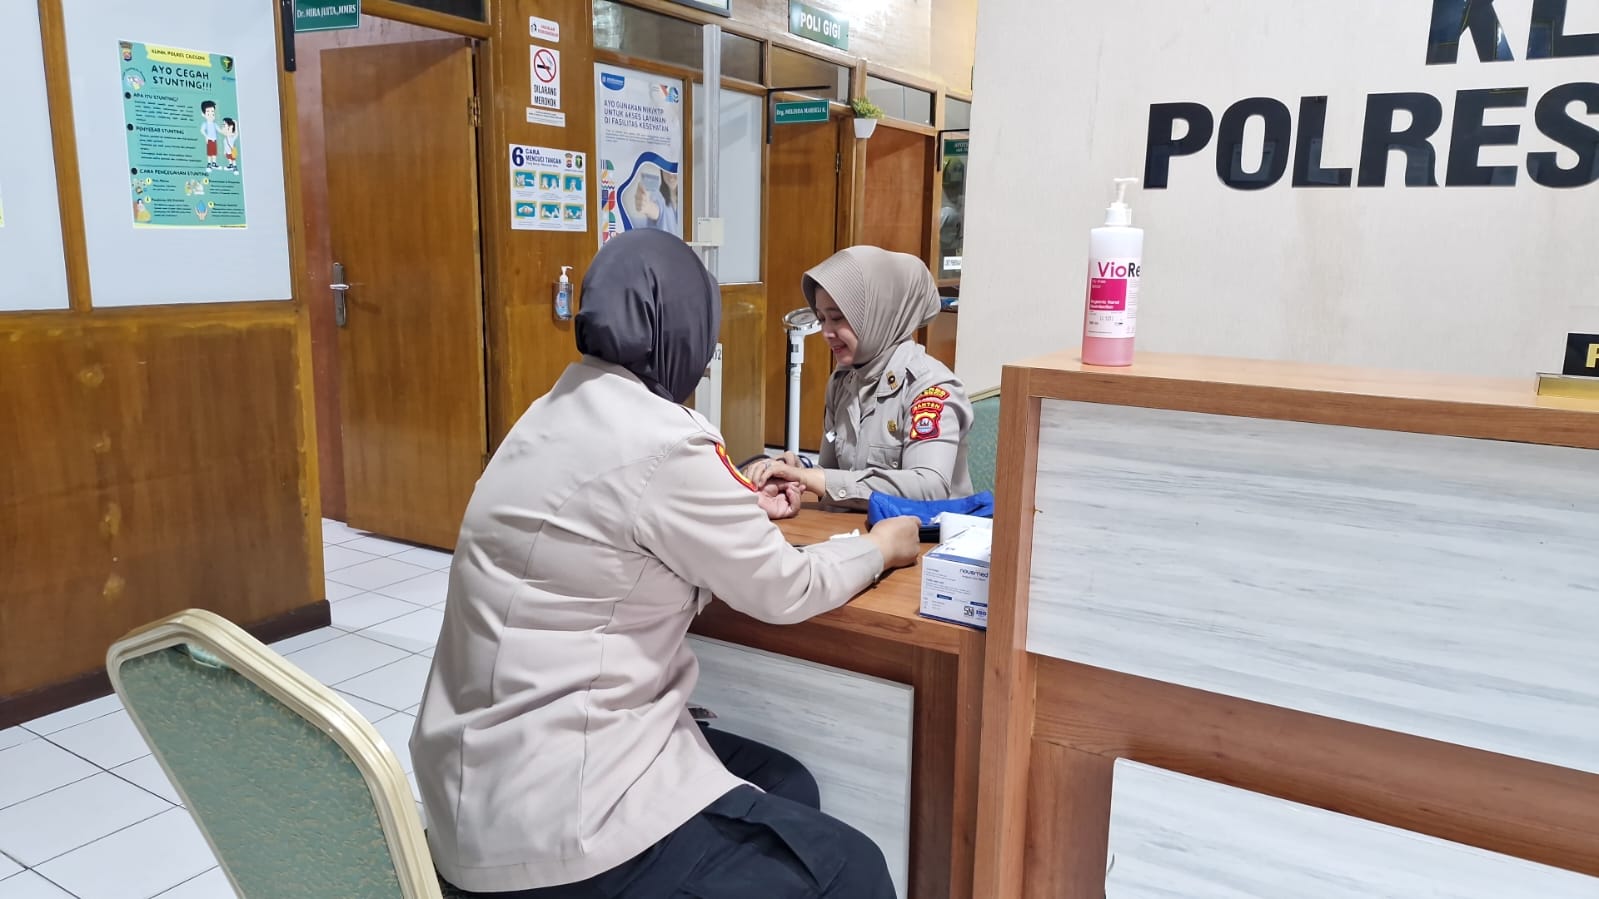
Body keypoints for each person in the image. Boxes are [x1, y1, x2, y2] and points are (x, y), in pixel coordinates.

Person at [410, 229, 921, 898]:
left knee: (786, 783)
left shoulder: (545, 413)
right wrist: (879, 548)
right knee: (852, 867)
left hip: (474, 786)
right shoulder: (664, 438)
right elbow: (785, 588)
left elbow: (611, 533)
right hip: (563, 819)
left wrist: (731, 508)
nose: (704, 363)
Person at [746, 246, 974, 509]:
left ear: (881, 313)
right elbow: (833, 475)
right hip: (857, 528)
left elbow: (929, 488)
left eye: (837, 318)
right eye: (822, 319)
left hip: (926, 532)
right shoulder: (843, 382)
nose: (826, 332)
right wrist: (796, 474)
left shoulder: (929, 387)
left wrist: (811, 478)